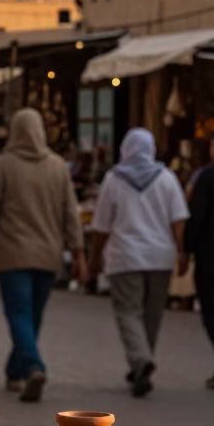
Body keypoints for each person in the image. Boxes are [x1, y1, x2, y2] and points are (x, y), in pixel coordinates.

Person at [0, 108, 87, 402]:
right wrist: (78, 252)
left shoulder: (2, 166)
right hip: (48, 255)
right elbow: (70, 215)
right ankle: (15, 372)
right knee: (32, 317)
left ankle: (33, 366)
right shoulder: (58, 167)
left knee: (20, 315)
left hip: (12, 255)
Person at [88, 129, 189, 397]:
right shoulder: (167, 178)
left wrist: (94, 258)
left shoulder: (113, 179)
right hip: (160, 257)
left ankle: (140, 359)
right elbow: (178, 219)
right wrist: (182, 252)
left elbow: (101, 226)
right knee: (152, 313)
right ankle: (141, 361)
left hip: (125, 257)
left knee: (128, 312)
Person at [186, 130, 214, 389]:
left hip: (211, 256)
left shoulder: (207, 177)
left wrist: (186, 250)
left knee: (212, 311)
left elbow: (196, 217)